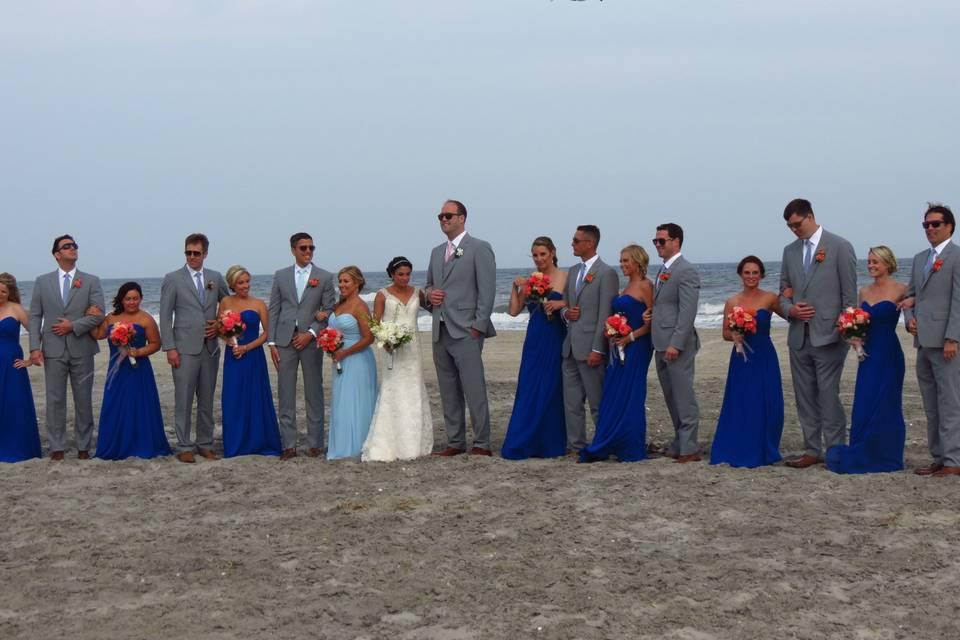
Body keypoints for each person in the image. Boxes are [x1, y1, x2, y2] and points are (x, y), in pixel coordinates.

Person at [778, 199, 857, 468]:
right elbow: (783, 292)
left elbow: (850, 295)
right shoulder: (789, 252)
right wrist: (791, 310)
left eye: (797, 224)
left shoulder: (839, 246)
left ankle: (834, 448)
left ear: (810, 217)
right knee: (804, 395)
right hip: (799, 335)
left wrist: (846, 327)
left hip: (830, 335)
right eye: (790, 226)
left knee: (827, 393)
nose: (794, 230)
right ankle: (812, 449)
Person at [424, 199, 497, 456]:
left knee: (473, 388)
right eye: (440, 216)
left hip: (466, 330)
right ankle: (455, 441)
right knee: (447, 388)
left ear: (462, 218)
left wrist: (478, 325)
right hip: (439, 329)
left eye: (448, 216)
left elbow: (487, 291)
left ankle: (481, 443)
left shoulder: (479, 248)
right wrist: (430, 294)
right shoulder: (435, 252)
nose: (444, 220)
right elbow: (428, 286)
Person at [825, 247, 906, 473]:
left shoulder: (902, 289)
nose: (870, 265)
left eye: (875, 262)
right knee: (866, 398)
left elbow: (913, 314)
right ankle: (864, 448)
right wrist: (853, 336)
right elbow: (858, 321)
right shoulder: (864, 292)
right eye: (869, 262)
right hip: (868, 354)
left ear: (888, 263)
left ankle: (888, 453)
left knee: (887, 401)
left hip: (889, 352)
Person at [28, 235, 105, 460]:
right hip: (52, 349)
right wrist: (34, 347)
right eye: (67, 246)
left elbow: (99, 312)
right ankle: (57, 447)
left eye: (74, 245)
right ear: (57, 254)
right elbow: (35, 317)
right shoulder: (42, 282)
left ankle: (83, 447)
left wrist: (74, 325)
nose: (73, 249)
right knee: (55, 400)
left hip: (82, 347)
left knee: (83, 399)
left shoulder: (91, 280)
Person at [579, 244, 654, 463]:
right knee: (613, 393)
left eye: (626, 261)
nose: (622, 265)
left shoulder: (645, 286)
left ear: (638, 262)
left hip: (637, 346)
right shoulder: (627, 285)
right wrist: (612, 331)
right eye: (621, 261)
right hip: (618, 346)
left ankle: (630, 444)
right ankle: (611, 439)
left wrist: (629, 337)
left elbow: (651, 322)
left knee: (631, 394)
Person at [159, 233, 229, 463]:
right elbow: (165, 315)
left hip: (210, 349)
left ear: (205, 254)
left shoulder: (215, 278)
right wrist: (169, 347)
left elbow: (228, 306)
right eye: (188, 252)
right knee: (184, 399)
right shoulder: (173, 278)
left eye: (196, 253)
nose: (191, 257)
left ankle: (205, 444)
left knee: (207, 399)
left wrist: (219, 325)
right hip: (183, 348)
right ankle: (184, 445)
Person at [709, 257, 785, 468]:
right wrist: (734, 336)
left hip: (764, 355)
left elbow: (789, 315)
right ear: (740, 274)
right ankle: (739, 444)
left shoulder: (770, 298)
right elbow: (725, 332)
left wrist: (791, 297)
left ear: (761, 275)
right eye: (747, 272)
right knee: (742, 400)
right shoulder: (732, 302)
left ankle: (765, 445)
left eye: (755, 273)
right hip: (742, 357)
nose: (751, 276)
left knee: (768, 399)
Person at [902, 203, 960, 477]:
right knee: (930, 404)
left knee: (950, 403)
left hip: (946, 344)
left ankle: (953, 460)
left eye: (935, 224)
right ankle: (938, 456)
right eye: (926, 225)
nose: (930, 229)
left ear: (949, 226)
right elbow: (911, 296)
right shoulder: (919, 258)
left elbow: (958, 302)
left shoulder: (956, 257)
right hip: (922, 341)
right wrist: (909, 318)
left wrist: (953, 337)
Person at [267, 233, 336, 460]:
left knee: (313, 391)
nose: (308, 252)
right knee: (285, 392)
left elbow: (328, 310)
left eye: (311, 248)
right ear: (293, 250)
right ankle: (289, 445)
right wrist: (272, 342)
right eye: (303, 248)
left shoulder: (324, 277)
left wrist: (311, 333)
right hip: (285, 341)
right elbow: (274, 310)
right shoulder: (280, 275)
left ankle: (315, 443)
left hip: (311, 342)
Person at [501, 237, 568, 460]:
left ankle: (550, 442)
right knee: (529, 386)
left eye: (543, 254)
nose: (539, 259)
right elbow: (513, 310)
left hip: (555, 335)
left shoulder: (565, 277)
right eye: (535, 255)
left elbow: (575, 303)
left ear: (552, 253)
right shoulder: (532, 281)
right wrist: (515, 287)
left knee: (551, 387)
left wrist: (560, 304)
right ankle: (526, 440)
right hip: (534, 337)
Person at [361, 257, 434, 462]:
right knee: (393, 389)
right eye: (400, 274)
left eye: (408, 274)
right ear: (392, 274)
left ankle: (414, 442)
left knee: (413, 388)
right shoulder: (382, 295)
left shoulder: (418, 292)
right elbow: (375, 323)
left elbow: (434, 308)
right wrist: (385, 340)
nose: (405, 278)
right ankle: (387, 443)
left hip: (413, 350)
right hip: (391, 349)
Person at [90, 282, 171, 460]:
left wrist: (138, 352)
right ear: (122, 299)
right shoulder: (111, 318)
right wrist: (92, 317)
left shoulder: (146, 319)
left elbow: (156, 344)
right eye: (128, 299)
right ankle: (117, 444)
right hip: (117, 370)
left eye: (135, 298)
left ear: (141, 299)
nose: (132, 302)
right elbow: (97, 334)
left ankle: (141, 443)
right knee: (115, 405)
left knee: (139, 405)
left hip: (139, 369)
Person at [560, 225, 618, 454]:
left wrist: (598, 348)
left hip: (591, 347)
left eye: (576, 241)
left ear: (590, 243)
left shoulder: (607, 273)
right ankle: (576, 445)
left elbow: (606, 313)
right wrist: (566, 314)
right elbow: (566, 304)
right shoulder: (573, 271)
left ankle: (603, 443)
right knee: (572, 402)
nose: (572, 244)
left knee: (597, 402)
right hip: (570, 346)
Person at [650, 223, 702, 463]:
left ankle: (690, 448)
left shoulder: (686, 270)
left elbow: (687, 311)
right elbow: (665, 305)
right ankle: (680, 441)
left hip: (675, 344)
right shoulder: (663, 270)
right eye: (656, 241)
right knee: (670, 396)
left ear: (676, 242)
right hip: (659, 341)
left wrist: (676, 343)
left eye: (662, 241)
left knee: (683, 395)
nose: (658, 245)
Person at [220, 266, 283, 458]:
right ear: (232, 284)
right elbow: (220, 328)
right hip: (233, 356)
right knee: (233, 397)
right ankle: (236, 443)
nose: (245, 286)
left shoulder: (258, 304)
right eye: (241, 282)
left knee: (256, 396)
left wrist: (247, 347)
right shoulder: (225, 302)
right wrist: (229, 340)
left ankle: (258, 441)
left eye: (247, 281)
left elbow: (267, 333)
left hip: (253, 355)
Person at [327, 266, 378, 460]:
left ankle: (356, 446)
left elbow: (369, 338)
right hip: (339, 358)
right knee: (342, 402)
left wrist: (345, 352)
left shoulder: (360, 306)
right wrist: (330, 345)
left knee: (355, 401)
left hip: (357, 360)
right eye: (340, 281)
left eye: (346, 281)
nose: (342, 285)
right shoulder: (339, 305)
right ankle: (342, 445)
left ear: (357, 283)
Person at [0, 273, 42, 463]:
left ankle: (19, 447)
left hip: (12, 364)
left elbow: (36, 333)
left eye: (3, 291)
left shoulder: (16, 309)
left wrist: (30, 359)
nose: (0, 294)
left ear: (9, 292)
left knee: (14, 404)